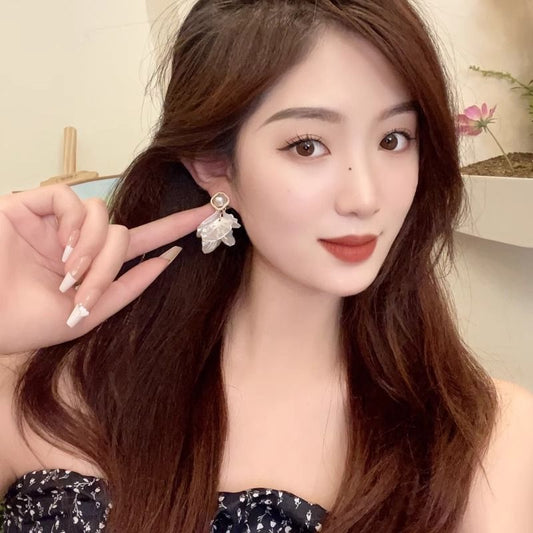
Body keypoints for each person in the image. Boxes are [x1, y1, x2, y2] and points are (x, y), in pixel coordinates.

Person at [0, 0, 532, 531]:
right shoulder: (36, 391)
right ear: (214, 165)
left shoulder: (488, 439)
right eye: (308, 146)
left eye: (394, 139)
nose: (365, 198)